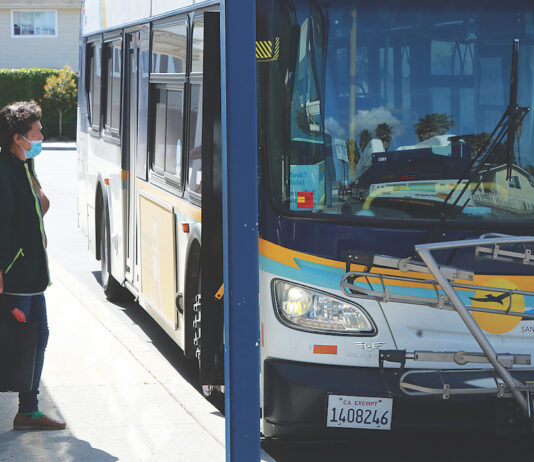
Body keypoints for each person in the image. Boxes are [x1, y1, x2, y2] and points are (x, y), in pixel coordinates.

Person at [0, 100, 65, 430]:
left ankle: (29, 410)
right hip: (13, 276)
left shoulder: (25, 167)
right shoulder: (4, 171)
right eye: (36, 131)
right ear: (17, 137)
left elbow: (35, 209)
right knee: (13, 342)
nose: (41, 135)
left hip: (31, 276)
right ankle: (27, 409)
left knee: (37, 337)